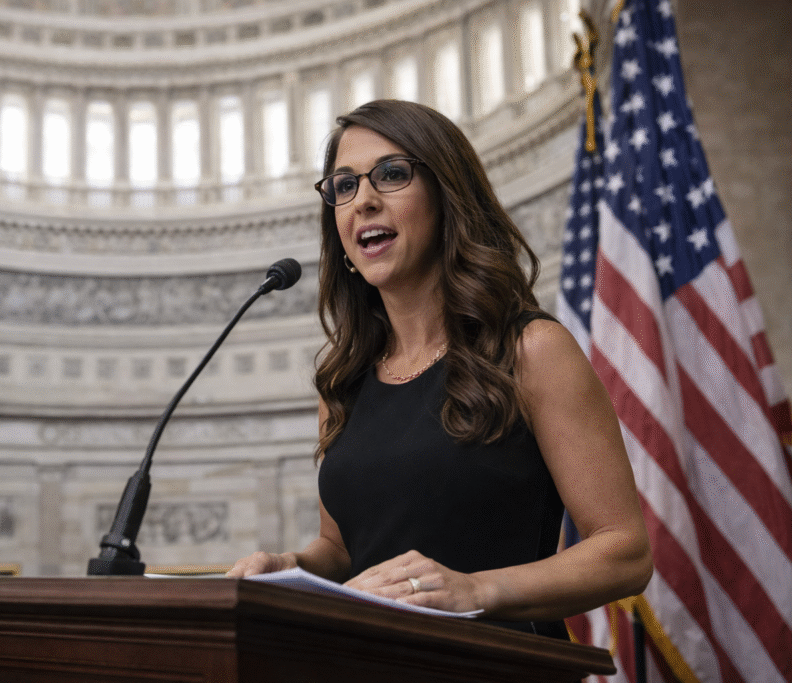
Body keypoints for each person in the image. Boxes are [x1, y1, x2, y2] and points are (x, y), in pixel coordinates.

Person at [227, 99, 653, 639]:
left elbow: (625, 552)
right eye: (344, 185)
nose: (365, 201)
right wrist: (289, 569)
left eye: (392, 174)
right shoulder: (342, 383)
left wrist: (478, 591)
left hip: (499, 666)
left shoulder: (532, 350)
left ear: (447, 193)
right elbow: (341, 551)